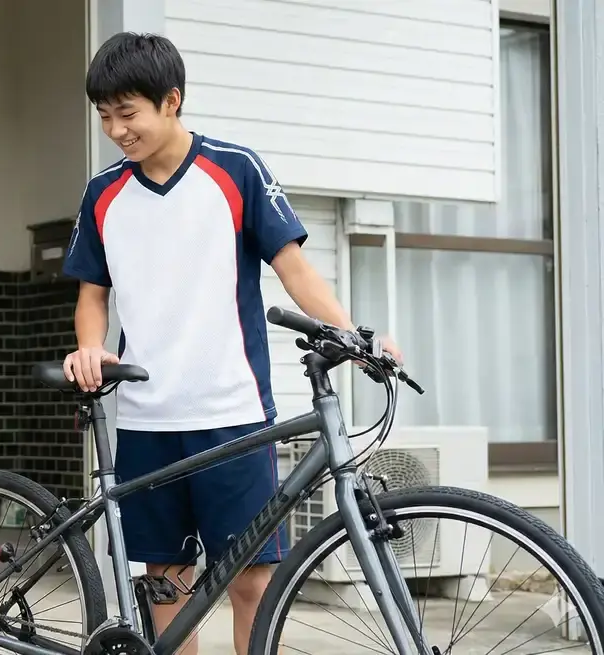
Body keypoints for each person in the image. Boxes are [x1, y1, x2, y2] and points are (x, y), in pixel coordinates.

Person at [61, 32, 402, 655]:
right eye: (105, 116)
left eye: (127, 113)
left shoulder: (235, 169)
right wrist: (90, 347)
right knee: (165, 582)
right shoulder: (103, 193)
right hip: (146, 414)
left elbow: (293, 267)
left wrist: (353, 335)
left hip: (235, 414)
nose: (116, 130)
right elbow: (93, 294)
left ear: (172, 101)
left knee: (254, 582)